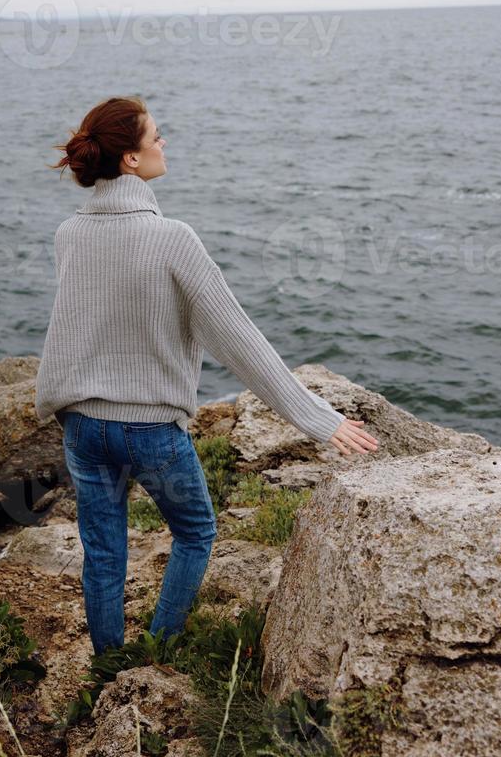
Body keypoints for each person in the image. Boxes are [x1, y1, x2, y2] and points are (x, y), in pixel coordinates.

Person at [33, 95, 379, 655]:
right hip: (151, 433)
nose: (164, 143)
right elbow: (239, 340)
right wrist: (318, 419)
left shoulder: (69, 233)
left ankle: (110, 668)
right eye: (156, 136)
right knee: (195, 534)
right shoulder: (174, 239)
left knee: (102, 554)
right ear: (130, 160)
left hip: (82, 427)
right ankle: (158, 649)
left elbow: (84, 322)